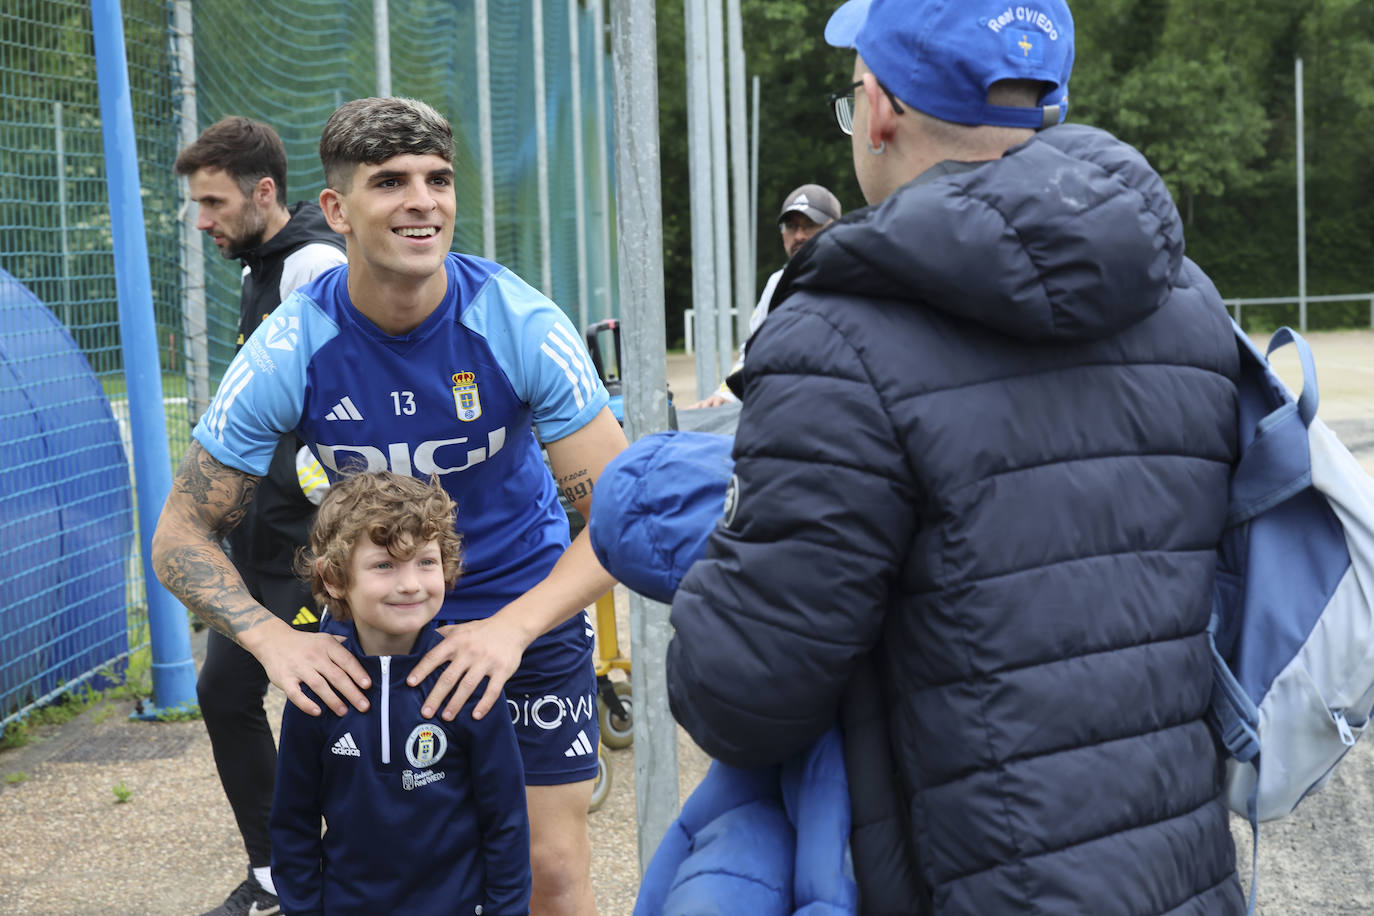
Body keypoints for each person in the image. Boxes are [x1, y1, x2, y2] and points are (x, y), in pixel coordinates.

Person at [665, 1, 1247, 914]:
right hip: (1182, 875)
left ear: (882, 109)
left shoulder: (833, 338)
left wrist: (705, 547)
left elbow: (744, 693)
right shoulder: (1183, 297)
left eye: (852, 95)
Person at [154, 97, 625, 916]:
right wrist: (271, 640)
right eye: (391, 182)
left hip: (524, 614)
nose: (424, 201)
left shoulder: (515, 322)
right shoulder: (292, 346)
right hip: (382, 624)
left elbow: (625, 516)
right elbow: (177, 536)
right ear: (336, 209)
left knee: (548, 870)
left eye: (438, 180)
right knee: (390, 870)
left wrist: (512, 629)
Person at [173, 115, 346, 916]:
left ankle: (346, 869)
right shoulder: (261, 262)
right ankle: (279, 871)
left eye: (212, 202)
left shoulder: (313, 263)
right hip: (260, 536)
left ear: (264, 193)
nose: (202, 220)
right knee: (227, 693)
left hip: (311, 544)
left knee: (334, 703)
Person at [270, 471, 531, 916]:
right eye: (384, 565)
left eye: (426, 562)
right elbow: (292, 823)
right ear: (334, 578)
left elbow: (505, 820)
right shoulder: (319, 687)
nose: (410, 583)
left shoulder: (467, 681)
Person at [686, 184, 841, 408]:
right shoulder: (777, 283)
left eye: (811, 225)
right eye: (791, 226)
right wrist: (727, 395)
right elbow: (753, 353)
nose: (799, 235)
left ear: (835, 227)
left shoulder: (859, 278)